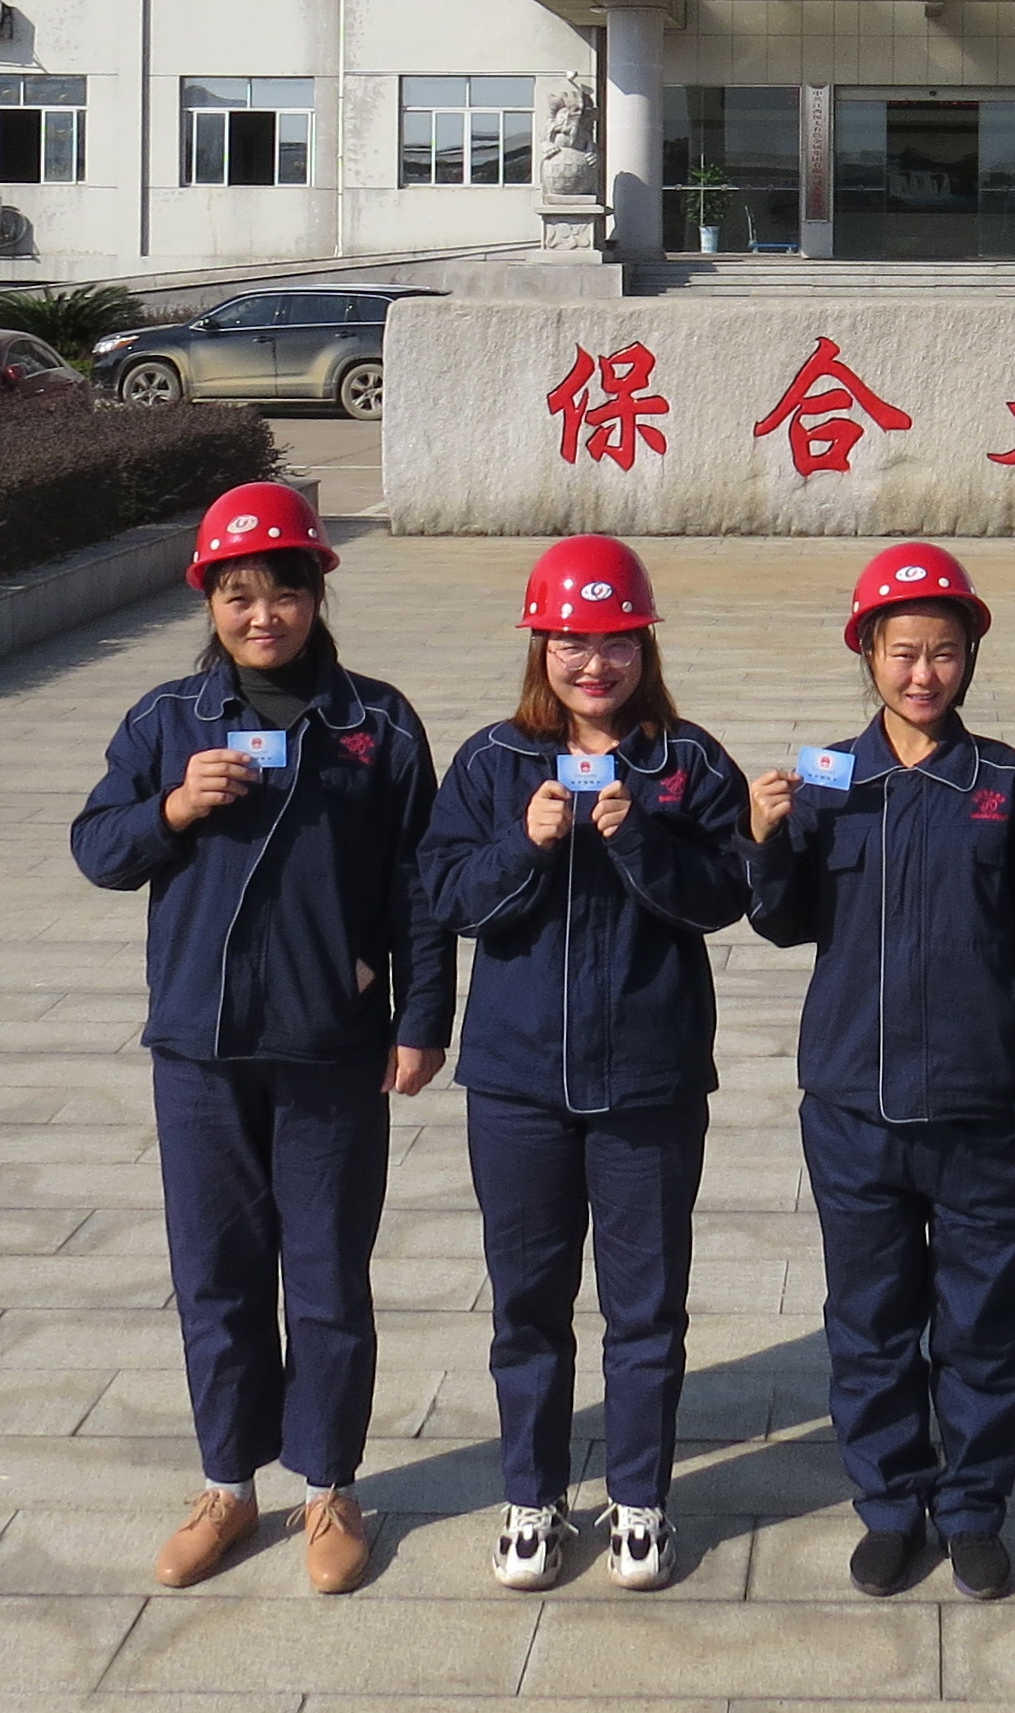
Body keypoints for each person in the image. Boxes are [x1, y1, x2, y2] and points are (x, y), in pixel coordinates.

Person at [69, 481, 452, 1596]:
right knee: (216, 1277)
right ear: (210, 604)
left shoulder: (376, 724)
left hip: (331, 1045)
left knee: (327, 1275)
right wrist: (174, 808)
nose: (262, 616)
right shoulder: (166, 722)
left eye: (282, 592)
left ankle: (329, 1486)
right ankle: (227, 1486)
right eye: (237, 596)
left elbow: (419, 886)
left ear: (316, 595)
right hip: (201, 1049)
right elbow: (98, 849)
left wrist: (422, 1018)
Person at [745, 541, 1015, 1602]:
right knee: (871, 1324)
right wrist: (766, 840)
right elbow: (782, 921)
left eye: (943, 652)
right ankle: (891, 1505)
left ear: (969, 656)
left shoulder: (1007, 786)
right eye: (902, 652)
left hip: (982, 1116)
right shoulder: (828, 782)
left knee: (983, 1327)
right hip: (853, 1111)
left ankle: (974, 1508)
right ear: (868, 655)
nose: (923, 673)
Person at [417, 536, 751, 1597]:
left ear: (644, 647)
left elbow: (729, 893)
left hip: (649, 1080)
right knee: (528, 1304)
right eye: (571, 642)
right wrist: (523, 842)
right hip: (516, 1083)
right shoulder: (492, 761)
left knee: (646, 1306)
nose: (593, 664)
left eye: (614, 643)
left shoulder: (688, 761)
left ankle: (640, 1499)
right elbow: (446, 896)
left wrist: (641, 840)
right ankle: (533, 1495)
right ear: (540, 647)